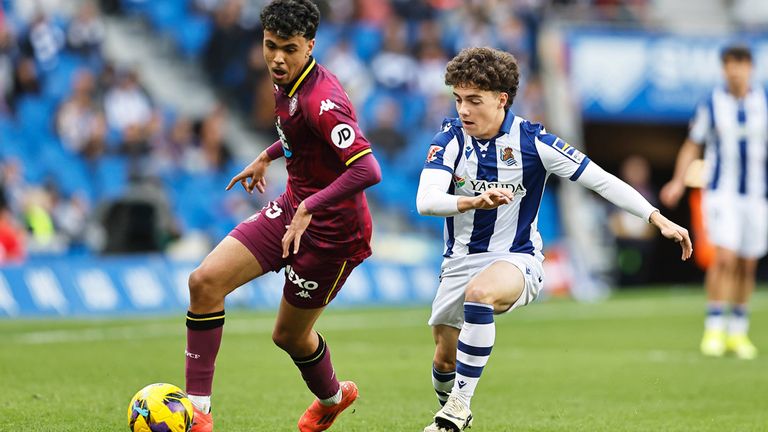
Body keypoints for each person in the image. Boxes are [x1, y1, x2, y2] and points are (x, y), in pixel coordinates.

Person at [416, 47, 692, 432]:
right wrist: (472, 201)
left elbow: (600, 180)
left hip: (517, 259)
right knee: (444, 359)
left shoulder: (534, 142)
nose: (463, 110)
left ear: (501, 99)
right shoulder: (449, 140)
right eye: (458, 99)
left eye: (474, 100)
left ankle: (459, 408)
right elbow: (426, 201)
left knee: (480, 294)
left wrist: (656, 217)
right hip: (458, 262)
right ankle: (452, 405)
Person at [184, 1, 382, 431]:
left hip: (333, 234)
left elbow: (368, 170)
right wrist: (267, 155)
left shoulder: (324, 100)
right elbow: (300, 134)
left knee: (288, 336)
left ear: (310, 45)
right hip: (292, 208)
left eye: (289, 49)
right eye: (270, 45)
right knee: (204, 282)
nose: (276, 58)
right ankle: (197, 412)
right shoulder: (286, 81)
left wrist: (311, 206)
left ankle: (333, 398)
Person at [660, 44, 765, 360]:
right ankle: (715, 327)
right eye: (730, 65)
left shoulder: (763, 101)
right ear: (723, 69)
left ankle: (738, 331)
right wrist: (678, 181)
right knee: (725, 258)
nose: (735, 71)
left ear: (750, 68)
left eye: (741, 65)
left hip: (756, 195)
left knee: (747, 263)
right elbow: (693, 145)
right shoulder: (712, 103)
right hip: (722, 194)